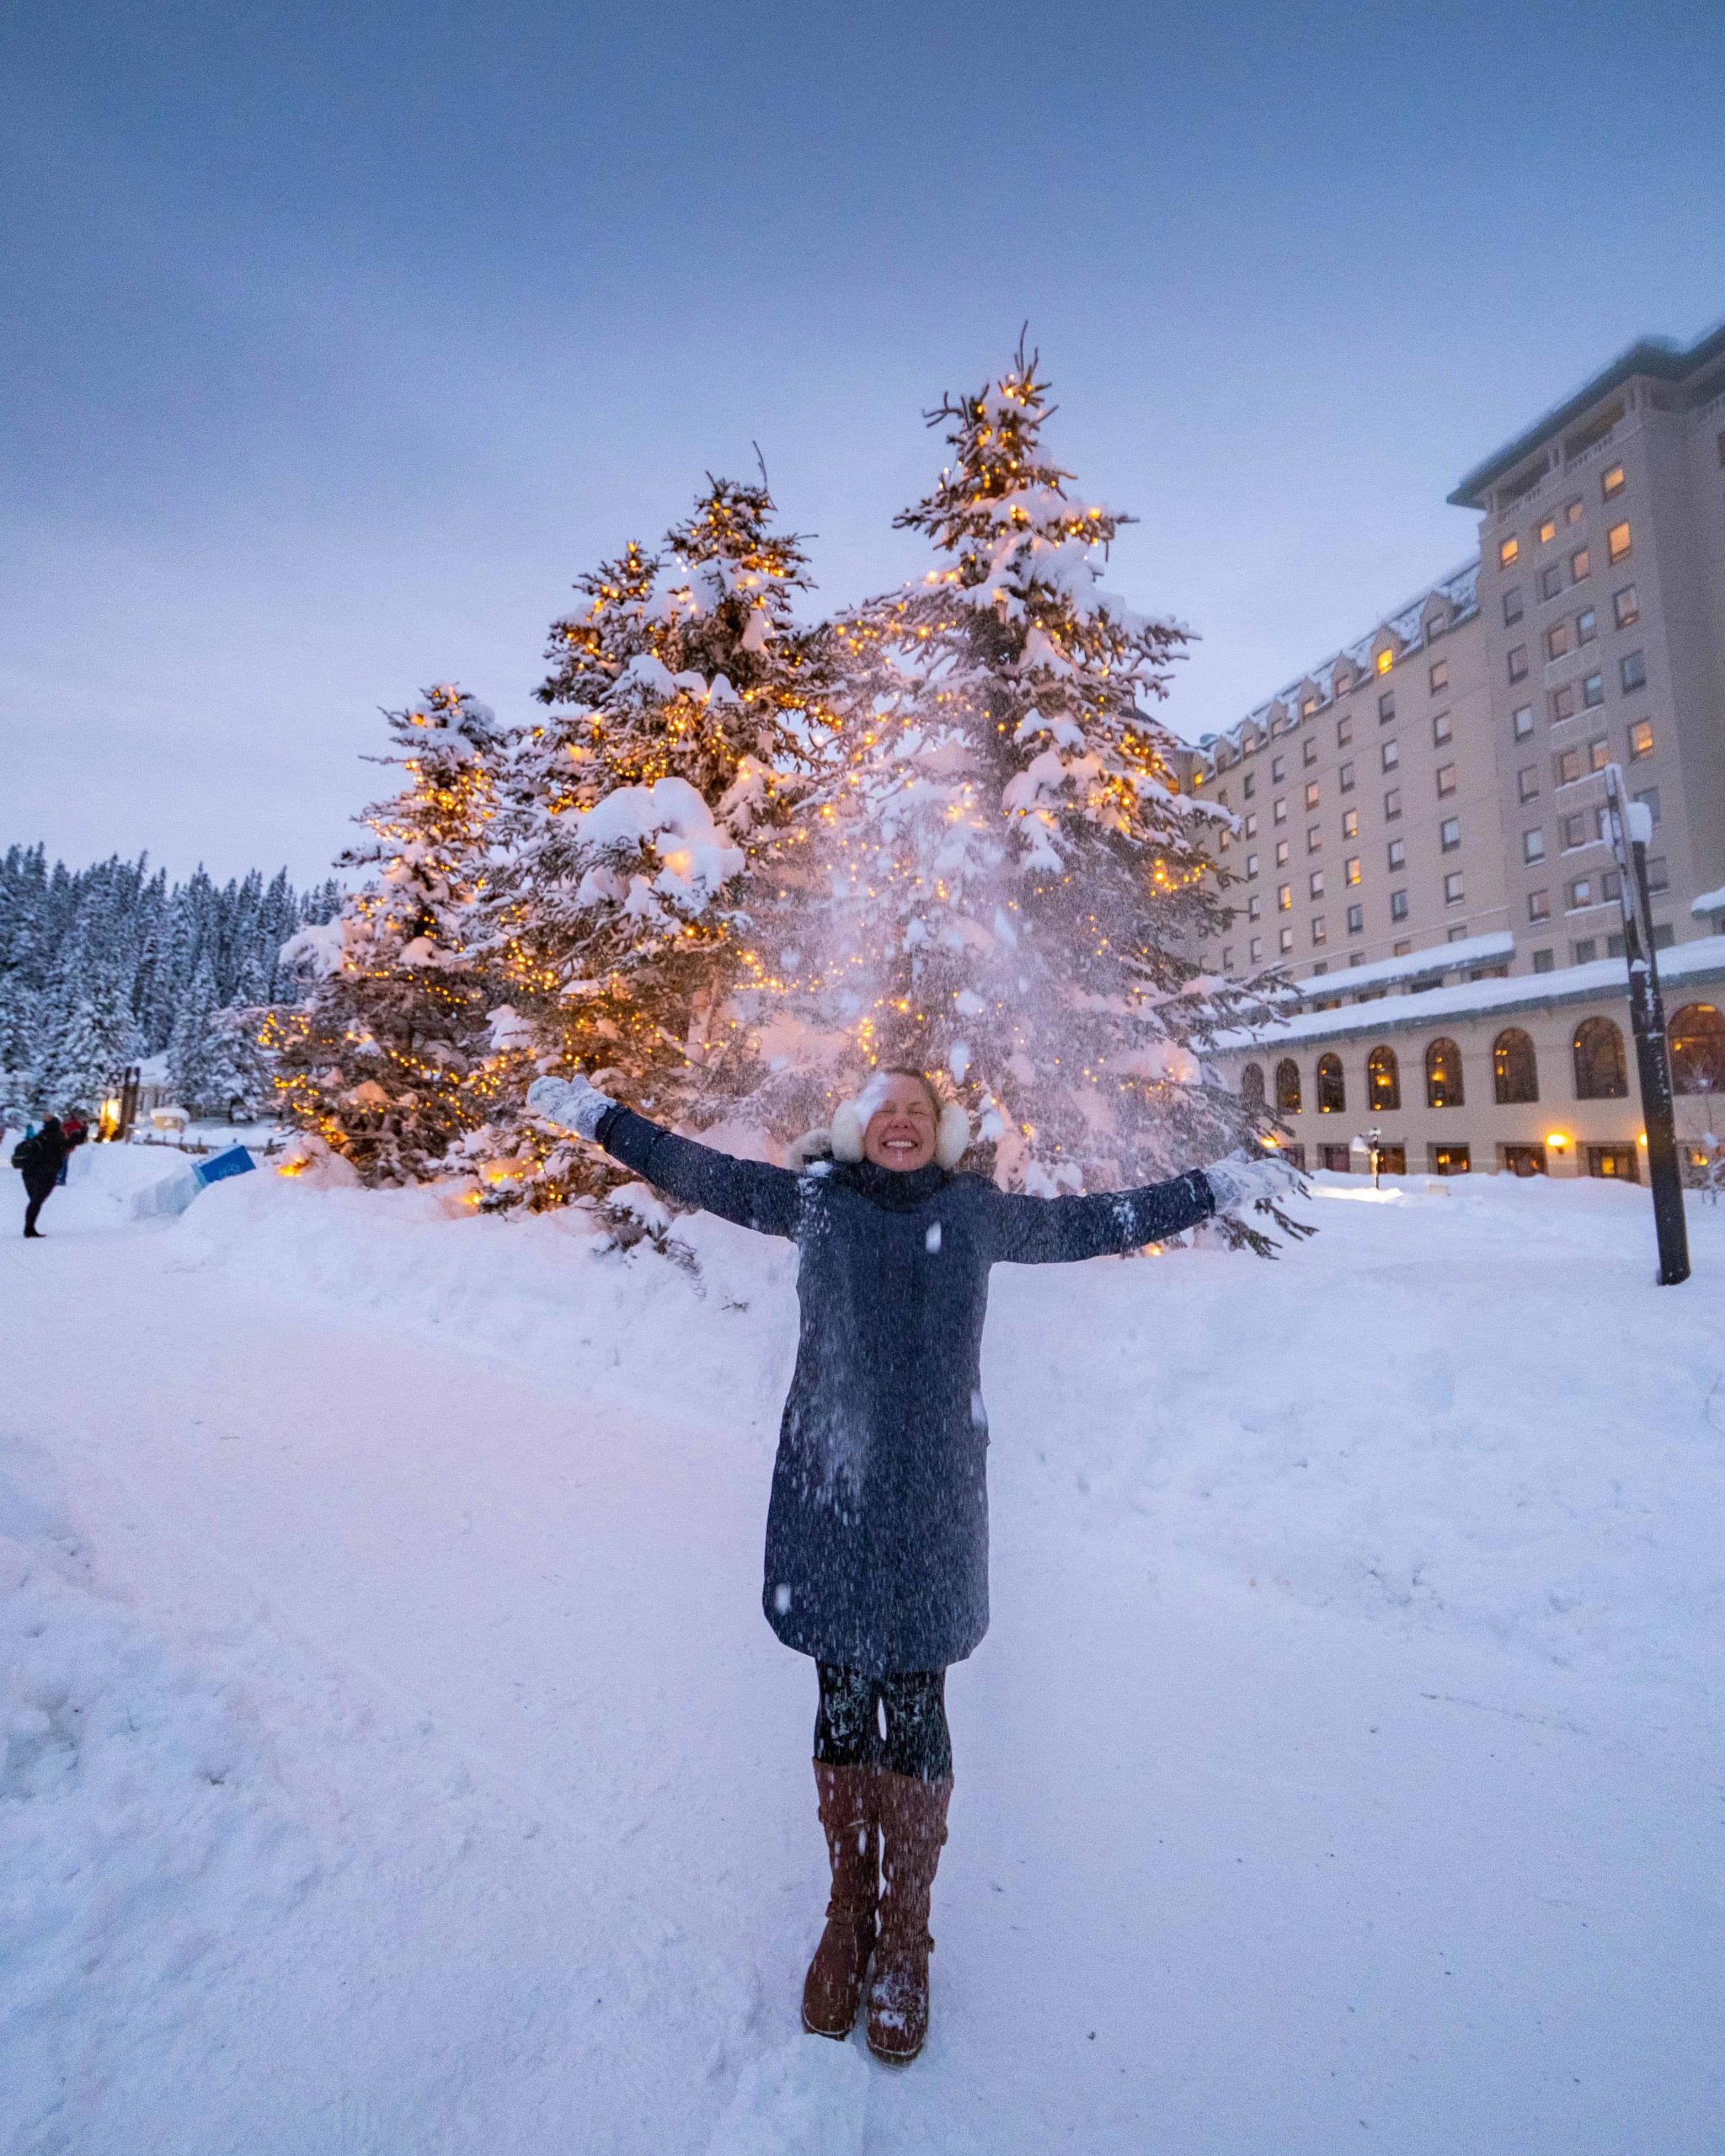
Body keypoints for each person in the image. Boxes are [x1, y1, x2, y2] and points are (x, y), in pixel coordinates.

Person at [527, 1065, 1296, 2064]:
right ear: (855, 1129)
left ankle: (904, 1937)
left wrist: (1212, 1186)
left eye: (917, 1114)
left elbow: (1096, 1222)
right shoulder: (813, 1200)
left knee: (918, 1701)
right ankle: (849, 1911)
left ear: (939, 1135)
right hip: (831, 1487)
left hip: (931, 1498)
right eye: (882, 1110)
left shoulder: (972, 1214)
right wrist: (599, 1116)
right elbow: (694, 1167)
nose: (898, 1123)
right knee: (843, 1696)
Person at [14, 1115, 77, 1238]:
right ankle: (29, 1229)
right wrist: (78, 1135)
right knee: (37, 1200)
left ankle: (29, 1228)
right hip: (45, 1173)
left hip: (28, 1173)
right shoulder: (56, 1137)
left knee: (35, 1200)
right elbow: (66, 1145)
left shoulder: (40, 1136)